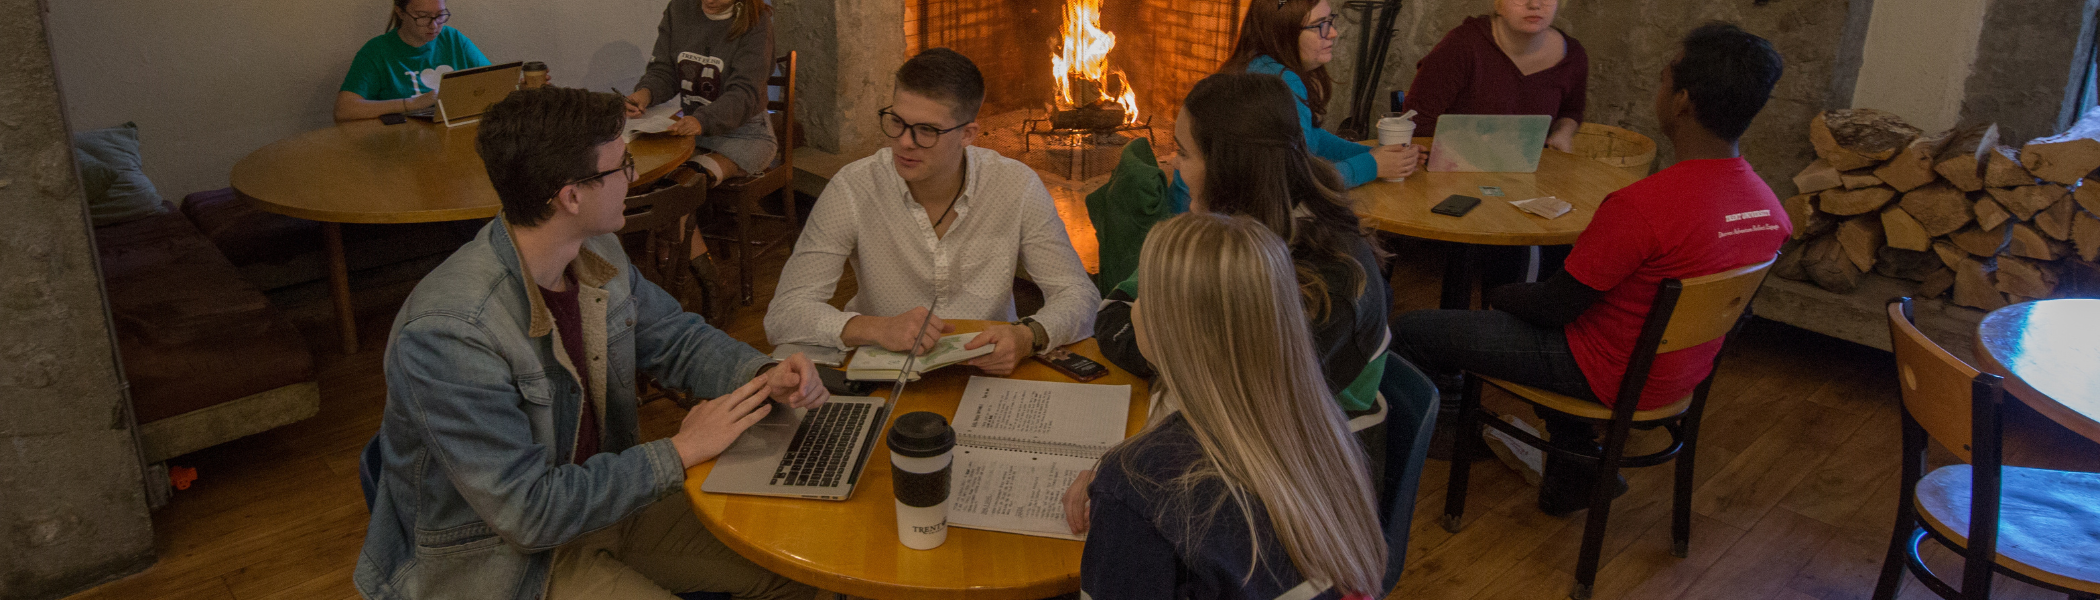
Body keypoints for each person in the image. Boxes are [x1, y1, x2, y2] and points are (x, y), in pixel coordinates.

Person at [353, 87, 824, 600]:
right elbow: (528, 513)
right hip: (504, 562)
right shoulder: (450, 332)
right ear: (571, 196)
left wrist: (763, 375)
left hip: (600, 505)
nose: (634, 175)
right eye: (622, 164)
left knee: (791, 566)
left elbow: (676, 339)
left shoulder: (594, 248)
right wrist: (680, 451)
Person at [1389, 22, 1788, 516]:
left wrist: (1500, 296)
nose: (1659, 87)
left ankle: (1399, 470)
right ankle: (1573, 463)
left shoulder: (1641, 206)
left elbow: (1555, 306)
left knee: (1411, 330)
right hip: (1681, 372)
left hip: (1601, 371)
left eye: (1665, 76)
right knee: (1563, 315)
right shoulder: (1771, 210)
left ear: (1682, 101)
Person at [1071, 213, 1387, 600]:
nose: (1132, 305)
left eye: (1143, 295)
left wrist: (1115, 488)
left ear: (1173, 329)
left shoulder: (1136, 481)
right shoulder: (1326, 433)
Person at [763, 48, 1101, 375]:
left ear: (968, 134)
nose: (905, 142)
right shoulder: (854, 187)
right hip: (884, 369)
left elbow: (1079, 295)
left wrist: (1028, 336)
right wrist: (875, 328)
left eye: (927, 130)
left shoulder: (1015, 186)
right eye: (896, 121)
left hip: (986, 369)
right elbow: (784, 315)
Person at [1097, 72, 1389, 420]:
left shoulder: (1330, 284)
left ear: (1229, 170)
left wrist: (1159, 338)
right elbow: (1115, 310)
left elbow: (1237, 404)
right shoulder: (1222, 223)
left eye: (1183, 152)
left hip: (1317, 452)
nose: (1173, 162)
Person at [1162, 0, 1419, 212]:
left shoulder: (1257, 64)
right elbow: (1291, 182)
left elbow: (1311, 138)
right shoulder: (1279, 82)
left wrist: (1376, 154)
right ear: (1283, 32)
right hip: (1205, 223)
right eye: (1320, 25)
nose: (1333, 32)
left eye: (1331, 20)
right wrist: (1372, 165)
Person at [1403, 0, 1589, 153]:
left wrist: (1563, 132)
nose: (1534, 4)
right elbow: (1417, 121)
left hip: (1531, 175)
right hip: (1455, 172)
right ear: (1498, 4)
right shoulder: (1462, 46)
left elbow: (1571, 112)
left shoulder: (1572, 55)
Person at [625, 0, 776, 188]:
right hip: (691, 133)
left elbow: (745, 93)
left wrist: (701, 121)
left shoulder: (756, 21)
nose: (709, 0)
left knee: (683, 183)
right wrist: (645, 94)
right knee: (639, 177)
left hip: (744, 135)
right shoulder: (680, 8)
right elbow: (665, 70)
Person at [335, 0, 491, 122]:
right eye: (423, 16)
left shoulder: (453, 39)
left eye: (440, 15)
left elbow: (494, 82)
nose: (434, 25)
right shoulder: (377, 51)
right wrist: (411, 104)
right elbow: (344, 110)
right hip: (400, 146)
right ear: (400, 12)